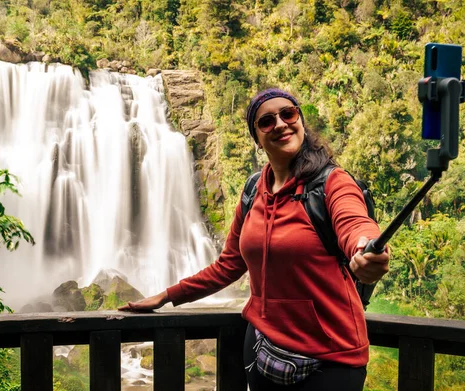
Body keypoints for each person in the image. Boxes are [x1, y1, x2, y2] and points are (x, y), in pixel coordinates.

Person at [118, 88, 390, 390]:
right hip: (262, 348)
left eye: (288, 114)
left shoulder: (332, 183)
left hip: (330, 360)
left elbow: (354, 223)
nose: (280, 124)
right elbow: (228, 266)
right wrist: (168, 296)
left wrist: (366, 249)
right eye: (266, 121)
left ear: (300, 119)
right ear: (257, 138)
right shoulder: (253, 190)